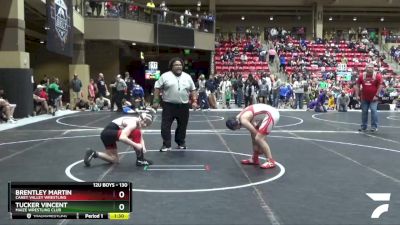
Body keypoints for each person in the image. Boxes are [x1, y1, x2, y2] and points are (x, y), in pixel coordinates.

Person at [152, 57, 197, 151]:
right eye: (176, 65)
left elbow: (193, 89)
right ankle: (166, 144)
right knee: (165, 126)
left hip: (183, 106)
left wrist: (194, 101)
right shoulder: (165, 76)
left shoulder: (187, 76)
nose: (178, 66)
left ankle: (181, 143)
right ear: (171, 66)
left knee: (182, 126)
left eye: (180, 65)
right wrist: (156, 102)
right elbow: (157, 88)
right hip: (169, 105)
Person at [83, 110, 155, 167]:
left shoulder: (137, 122)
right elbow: (122, 138)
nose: (145, 125)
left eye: (148, 124)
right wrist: (136, 145)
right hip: (109, 133)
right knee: (136, 132)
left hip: (106, 135)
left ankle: (93, 153)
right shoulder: (133, 123)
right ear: (141, 119)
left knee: (115, 159)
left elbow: (141, 137)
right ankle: (140, 160)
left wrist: (143, 147)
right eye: (145, 122)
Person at [225, 103, 280, 169]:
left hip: (272, 114)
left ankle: (270, 161)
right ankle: (255, 158)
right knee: (254, 137)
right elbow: (253, 130)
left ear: (236, 125)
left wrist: (260, 149)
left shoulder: (243, 120)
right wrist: (257, 148)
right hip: (268, 114)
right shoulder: (239, 117)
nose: (239, 129)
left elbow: (255, 133)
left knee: (259, 138)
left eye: (237, 128)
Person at [354, 64, 383, 132]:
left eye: (371, 67)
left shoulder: (377, 76)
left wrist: (376, 95)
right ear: (366, 68)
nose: (369, 69)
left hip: (373, 98)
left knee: (373, 110)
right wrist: (357, 95)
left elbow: (380, 86)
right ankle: (364, 126)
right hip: (364, 97)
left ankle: (374, 127)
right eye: (368, 67)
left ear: (373, 68)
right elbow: (357, 85)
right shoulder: (361, 76)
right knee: (364, 111)